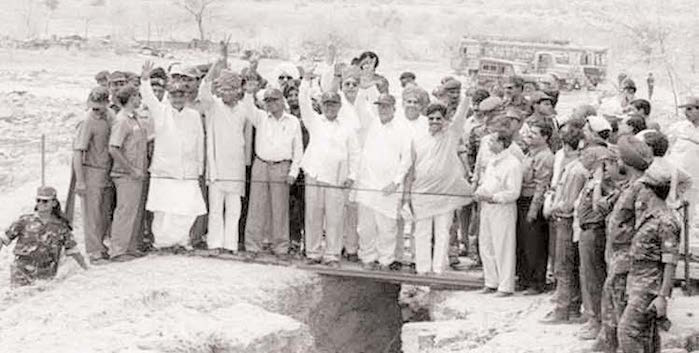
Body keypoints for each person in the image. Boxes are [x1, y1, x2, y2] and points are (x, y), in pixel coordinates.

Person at [592, 135, 654, 352]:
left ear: (625, 162)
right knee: (611, 308)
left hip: (628, 261)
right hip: (617, 258)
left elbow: (646, 228)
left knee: (625, 318)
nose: (613, 162)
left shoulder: (643, 190)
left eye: (616, 158)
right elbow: (601, 207)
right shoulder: (629, 186)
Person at [140, 61, 206, 251]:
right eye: (174, 95)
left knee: (186, 210)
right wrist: (145, 79)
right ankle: (161, 243)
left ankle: (181, 241)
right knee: (163, 211)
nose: (178, 99)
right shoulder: (161, 112)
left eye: (181, 95)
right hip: (164, 171)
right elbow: (149, 97)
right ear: (169, 97)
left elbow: (199, 142)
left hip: (188, 172)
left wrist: (199, 167)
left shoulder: (193, 115)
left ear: (186, 96)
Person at [299, 71, 360, 267]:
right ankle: (313, 253)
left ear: (339, 106)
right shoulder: (314, 121)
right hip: (314, 175)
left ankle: (332, 255)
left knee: (335, 219)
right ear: (322, 106)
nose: (330, 108)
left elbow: (355, 154)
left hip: (337, 179)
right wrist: (306, 80)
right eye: (326, 104)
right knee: (313, 216)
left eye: (333, 104)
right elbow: (303, 103)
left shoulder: (347, 127)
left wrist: (352, 175)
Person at [618, 161, 680, 352]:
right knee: (647, 337)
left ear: (650, 191)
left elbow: (671, 262)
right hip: (639, 283)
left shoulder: (665, 221)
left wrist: (662, 297)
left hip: (649, 287)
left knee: (627, 332)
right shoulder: (651, 215)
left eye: (643, 188)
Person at [410, 98, 473, 274]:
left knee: (442, 232)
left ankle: (438, 269)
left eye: (438, 118)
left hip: (445, 192)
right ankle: (422, 269)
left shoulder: (450, 136)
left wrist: (466, 97)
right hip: (422, 192)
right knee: (421, 232)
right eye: (431, 118)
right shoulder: (419, 139)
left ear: (444, 120)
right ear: (427, 119)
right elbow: (412, 165)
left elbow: (460, 117)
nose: (435, 121)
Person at [243, 87, 303, 260]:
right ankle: (253, 247)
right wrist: (249, 91)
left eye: (275, 100)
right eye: (268, 101)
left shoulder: (293, 121)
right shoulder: (260, 117)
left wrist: (293, 171)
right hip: (261, 164)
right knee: (256, 207)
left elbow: (298, 149)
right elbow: (248, 107)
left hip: (282, 166)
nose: (272, 103)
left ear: (282, 100)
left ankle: (281, 248)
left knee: (280, 208)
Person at [197, 61, 251, 254]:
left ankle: (230, 245)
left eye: (231, 89)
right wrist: (214, 67)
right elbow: (204, 90)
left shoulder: (244, 109)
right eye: (224, 89)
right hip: (217, 167)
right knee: (216, 209)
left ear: (237, 91)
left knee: (234, 209)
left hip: (236, 167)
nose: (227, 93)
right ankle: (214, 244)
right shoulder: (214, 106)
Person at [355, 93, 411, 271]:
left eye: (386, 106)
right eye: (380, 106)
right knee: (365, 227)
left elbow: (407, 158)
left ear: (394, 108)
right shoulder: (371, 124)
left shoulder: (403, 128)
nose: (383, 110)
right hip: (367, 184)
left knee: (387, 227)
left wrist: (396, 182)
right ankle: (367, 258)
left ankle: (386, 260)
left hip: (389, 187)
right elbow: (359, 104)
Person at [540, 126, 586, 323]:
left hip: (565, 222)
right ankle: (572, 307)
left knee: (563, 266)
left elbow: (568, 204)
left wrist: (551, 206)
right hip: (568, 222)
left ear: (566, 147)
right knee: (570, 266)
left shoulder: (575, 171)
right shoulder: (576, 168)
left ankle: (563, 309)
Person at [1, 186, 88, 286]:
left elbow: (73, 250)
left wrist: (86, 269)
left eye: (45, 201)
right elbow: (3, 239)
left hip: (45, 273)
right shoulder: (24, 221)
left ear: (54, 203)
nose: (41, 204)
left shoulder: (61, 226)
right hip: (21, 271)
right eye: (38, 200)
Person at [575, 145, 618, 340]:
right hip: (586, 229)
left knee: (594, 277)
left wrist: (600, 181)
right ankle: (594, 318)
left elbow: (600, 205)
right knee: (588, 276)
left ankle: (598, 320)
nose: (582, 158)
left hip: (595, 230)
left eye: (586, 155)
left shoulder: (605, 181)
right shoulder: (593, 178)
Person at [476, 130, 523, 297]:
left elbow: (513, 192)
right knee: (486, 244)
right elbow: (486, 182)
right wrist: (480, 192)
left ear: (502, 144)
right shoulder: (492, 161)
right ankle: (491, 281)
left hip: (502, 209)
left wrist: (494, 197)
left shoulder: (513, 164)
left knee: (503, 246)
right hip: (487, 207)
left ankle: (505, 286)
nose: (489, 145)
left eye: (492, 141)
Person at [108, 84, 149, 262]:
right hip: (126, 174)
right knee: (124, 211)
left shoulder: (135, 118)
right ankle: (117, 250)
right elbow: (114, 148)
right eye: (138, 96)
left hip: (137, 172)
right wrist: (131, 170)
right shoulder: (122, 120)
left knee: (134, 211)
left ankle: (130, 247)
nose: (140, 100)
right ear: (132, 98)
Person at [73, 87, 113, 264]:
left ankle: (101, 246)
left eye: (99, 107)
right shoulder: (87, 121)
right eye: (93, 107)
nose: (96, 111)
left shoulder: (109, 117)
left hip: (107, 170)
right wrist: (80, 181)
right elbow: (77, 152)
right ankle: (93, 251)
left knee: (104, 212)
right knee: (91, 214)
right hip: (91, 170)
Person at [517, 120, 555, 295]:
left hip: (533, 201)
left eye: (534, 133)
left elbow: (541, 185)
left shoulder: (545, 157)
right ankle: (524, 278)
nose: (529, 136)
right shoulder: (529, 153)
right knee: (523, 243)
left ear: (545, 137)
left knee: (535, 244)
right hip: (522, 199)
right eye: (529, 132)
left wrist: (533, 210)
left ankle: (536, 282)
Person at [666, 96, 699, 228]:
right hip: (675, 178)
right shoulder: (679, 128)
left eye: (690, 109)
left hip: (694, 180)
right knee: (672, 212)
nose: (687, 112)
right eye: (685, 109)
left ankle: (683, 245)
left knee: (688, 215)